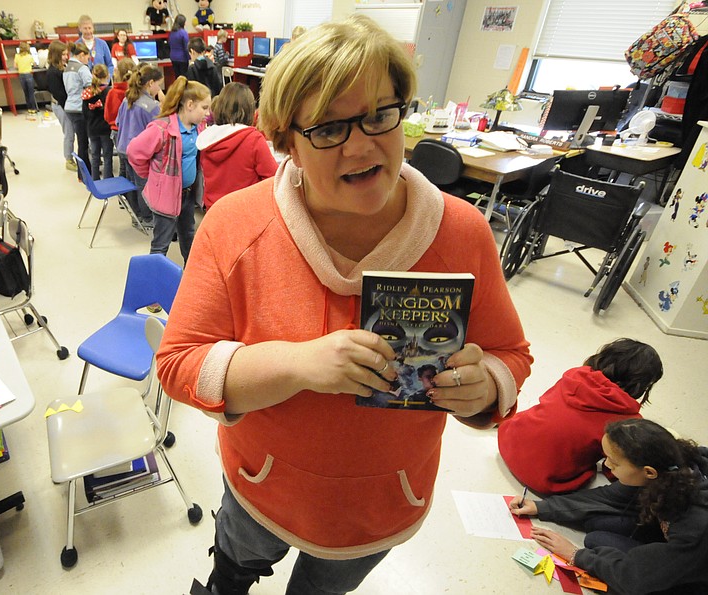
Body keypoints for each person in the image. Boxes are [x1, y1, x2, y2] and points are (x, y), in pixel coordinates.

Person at [155, 15, 532, 595]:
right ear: (285, 143)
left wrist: (486, 386)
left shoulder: (462, 232)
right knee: (235, 566)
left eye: (381, 113)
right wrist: (300, 366)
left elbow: (510, 352)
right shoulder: (236, 225)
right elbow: (179, 362)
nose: (363, 144)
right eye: (329, 127)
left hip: (380, 503)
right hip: (261, 484)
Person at [510, 419, 708, 595]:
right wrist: (541, 507)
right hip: (681, 545)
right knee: (598, 525)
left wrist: (575, 555)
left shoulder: (695, 529)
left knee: (598, 542)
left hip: (696, 573)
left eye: (614, 462)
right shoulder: (671, 464)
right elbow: (610, 496)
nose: (607, 465)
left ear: (649, 472)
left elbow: (635, 579)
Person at [498, 338, 663, 495]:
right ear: (642, 385)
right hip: (547, 480)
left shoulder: (574, 376)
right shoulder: (628, 420)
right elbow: (618, 464)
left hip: (508, 441)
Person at [127, 77, 210, 260]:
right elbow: (134, 151)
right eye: (204, 108)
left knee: (188, 235)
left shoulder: (198, 127)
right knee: (160, 244)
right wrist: (151, 176)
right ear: (189, 105)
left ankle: (191, 278)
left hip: (187, 194)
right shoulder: (162, 129)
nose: (207, 113)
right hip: (166, 195)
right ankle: (155, 282)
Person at [196, 82, 276, 209]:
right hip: (244, 211)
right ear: (249, 110)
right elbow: (273, 178)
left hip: (214, 210)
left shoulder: (206, 139)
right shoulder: (253, 139)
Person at [116, 64, 164, 229]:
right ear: (151, 83)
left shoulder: (127, 98)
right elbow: (158, 132)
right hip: (138, 154)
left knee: (132, 183)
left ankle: (136, 216)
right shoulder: (152, 106)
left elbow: (117, 122)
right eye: (159, 84)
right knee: (144, 186)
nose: (160, 88)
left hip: (123, 147)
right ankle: (147, 219)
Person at [46, 40, 76, 170]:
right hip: (61, 106)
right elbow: (59, 94)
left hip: (67, 104)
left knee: (72, 132)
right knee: (69, 133)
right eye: (63, 54)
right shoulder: (52, 72)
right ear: (56, 55)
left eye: (66, 54)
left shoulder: (63, 67)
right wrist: (70, 108)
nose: (66, 57)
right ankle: (68, 159)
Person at [63, 43, 92, 175]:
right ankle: (84, 173)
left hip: (69, 107)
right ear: (81, 55)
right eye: (87, 57)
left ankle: (83, 171)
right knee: (83, 142)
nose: (88, 60)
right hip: (80, 108)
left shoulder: (67, 68)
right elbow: (90, 86)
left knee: (80, 139)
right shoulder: (82, 68)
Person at [105, 58, 136, 178]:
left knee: (123, 165)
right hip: (132, 132)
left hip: (116, 131)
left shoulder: (112, 92)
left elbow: (107, 116)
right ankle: (131, 193)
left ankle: (124, 194)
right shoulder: (134, 93)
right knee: (133, 165)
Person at [82, 64, 113, 180]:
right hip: (105, 129)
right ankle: (108, 180)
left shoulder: (87, 93)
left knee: (95, 156)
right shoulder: (109, 92)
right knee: (107, 156)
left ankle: (95, 179)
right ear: (107, 76)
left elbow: (84, 113)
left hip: (92, 129)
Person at [77, 14, 113, 79]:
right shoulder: (76, 45)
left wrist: (107, 79)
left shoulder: (102, 44)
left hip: (101, 83)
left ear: (93, 28)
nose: (88, 31)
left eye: (89, 28)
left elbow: (110, 65)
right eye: (85, 28)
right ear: (80, 29)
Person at [15, 41, 38, 114]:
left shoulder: (17, 56)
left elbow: (15, 66)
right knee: (31, 92)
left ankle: (29, 108)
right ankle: (33, 108)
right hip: (29, 75)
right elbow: (34, 64)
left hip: (21, 75)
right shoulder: (29, 56)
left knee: (26, 93)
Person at [169, 14, 190, 78]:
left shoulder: (172, 32)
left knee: (177, 76)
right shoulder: (183, 33)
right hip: (182, 58)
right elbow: (186, 47)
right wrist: (189, 58)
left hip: (173, 57)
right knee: (183, 77)